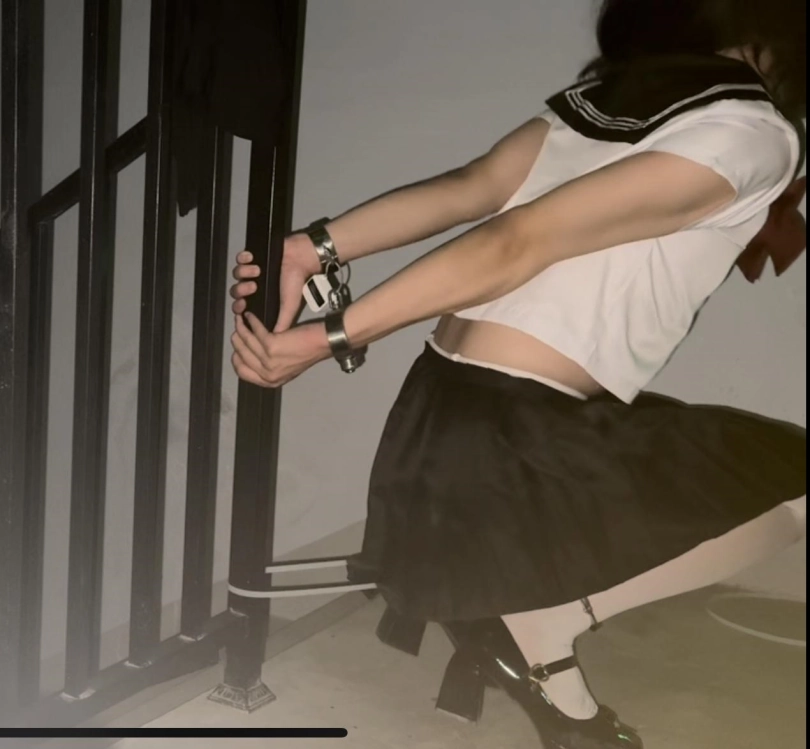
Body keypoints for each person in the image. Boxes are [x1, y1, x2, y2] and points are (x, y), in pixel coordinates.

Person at [229, 0, 806, 746]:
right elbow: (516, 240)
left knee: (693, 459)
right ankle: (547, 622)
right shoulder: (755, 133)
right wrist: (329, 336)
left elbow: (471, 186)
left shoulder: (605, 98)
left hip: (436, 412)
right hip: (523, 439)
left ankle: (547, 668)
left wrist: (311, 247)